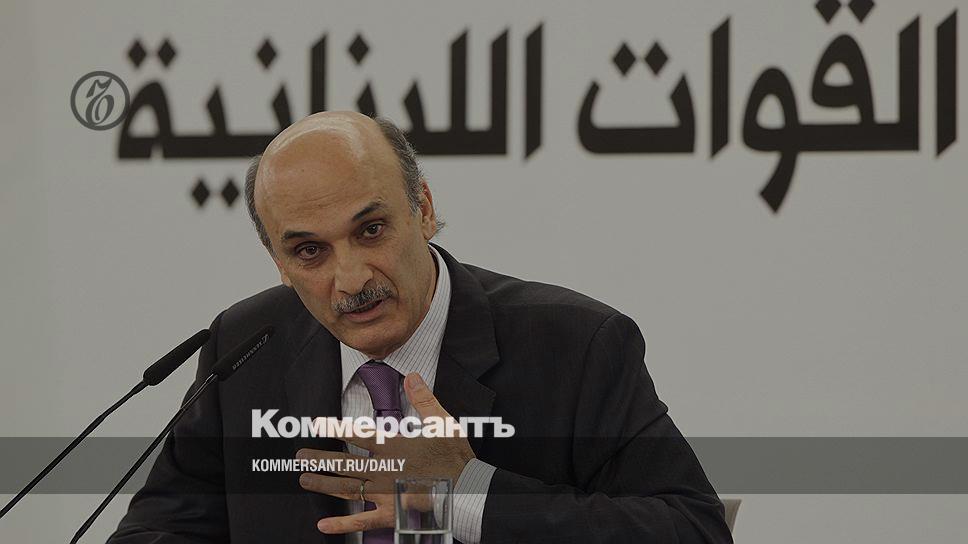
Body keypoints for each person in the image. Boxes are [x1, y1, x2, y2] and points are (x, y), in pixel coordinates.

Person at [108, 112, 732, 543]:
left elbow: (693, 529)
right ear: (278, 261)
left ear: (424, 210)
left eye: (371, 230)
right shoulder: (247, 347)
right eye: (309, 252)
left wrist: (466, 493)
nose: (351, 279)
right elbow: (159, 529)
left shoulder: (574, 344)